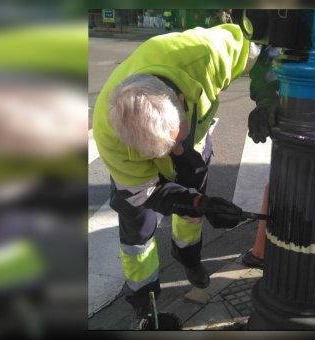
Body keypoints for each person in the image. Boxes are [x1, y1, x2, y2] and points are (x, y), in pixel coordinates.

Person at [92, 24, 277, 328]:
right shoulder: (109, 135)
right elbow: (148, 193)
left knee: (191, 215)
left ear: (181, 98)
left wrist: (266, 99)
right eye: (161, 152)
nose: (174, 152)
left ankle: (189, 259)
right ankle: (144, 305)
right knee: (137, 234)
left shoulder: (205, 53)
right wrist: (192, 200)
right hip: (138, 175)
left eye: (177, 141)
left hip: (197, 144)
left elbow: (264, 53)